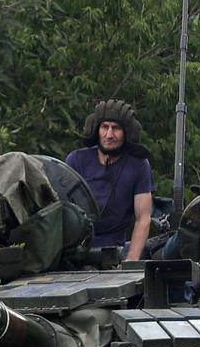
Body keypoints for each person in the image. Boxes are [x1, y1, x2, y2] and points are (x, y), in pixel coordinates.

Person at [66, 99, 153, 261]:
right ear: (96, 129)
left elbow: (143, 218)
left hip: (112, 251)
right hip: (73, 249)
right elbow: (61, 208)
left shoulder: (138, 165)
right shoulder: (76, 160)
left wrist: (131, 260)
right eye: (105, 127)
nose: (109, 135)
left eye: (116, 128)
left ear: (126, 132)